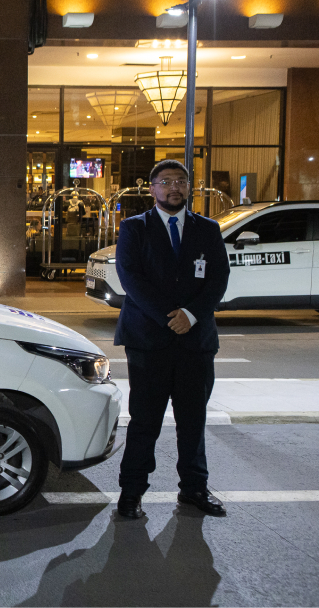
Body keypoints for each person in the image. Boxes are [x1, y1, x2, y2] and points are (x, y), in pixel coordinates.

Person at [114, 159, 230, 520]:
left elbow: (219, 279)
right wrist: (171, 316)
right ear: (152, 189)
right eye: (166, 181)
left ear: (189, 187)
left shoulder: (207, 229)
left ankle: (194, 488)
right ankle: (131, 492)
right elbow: (130, 278)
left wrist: (191, 315)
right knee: (145, 421)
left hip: (196, 342)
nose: (174, 187)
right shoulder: (134, 228)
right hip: (148, 341)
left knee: (193, 421)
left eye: (180, 181)